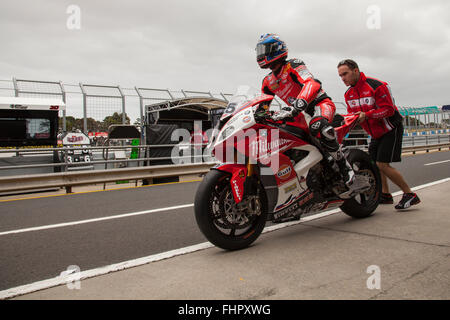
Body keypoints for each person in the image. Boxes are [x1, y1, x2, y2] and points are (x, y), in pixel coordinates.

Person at [256, 33, 356, 188]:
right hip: (297, 113)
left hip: (319, 104)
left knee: (319, 127)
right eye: (259, 50)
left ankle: (344, 165)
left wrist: (300, 102)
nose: (260, 54)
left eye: (264, 49)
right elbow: (263, 104)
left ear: (275, 49)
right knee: (275, 132)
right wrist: (258, 115)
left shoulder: (293, 64)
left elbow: (311, 83)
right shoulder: (267, 81)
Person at [337, 59, 420, 210]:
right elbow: (353, 116)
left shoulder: (377, 85)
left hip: (391, 128)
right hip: (374, 134)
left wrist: (367, 115)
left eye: (345, 74)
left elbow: (389, 110)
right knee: (375, 164)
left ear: (356, 71)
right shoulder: (348, 94)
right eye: (340, 76)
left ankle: (410, 194)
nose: (343, 78)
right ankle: (385, 195)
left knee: (383, 164)